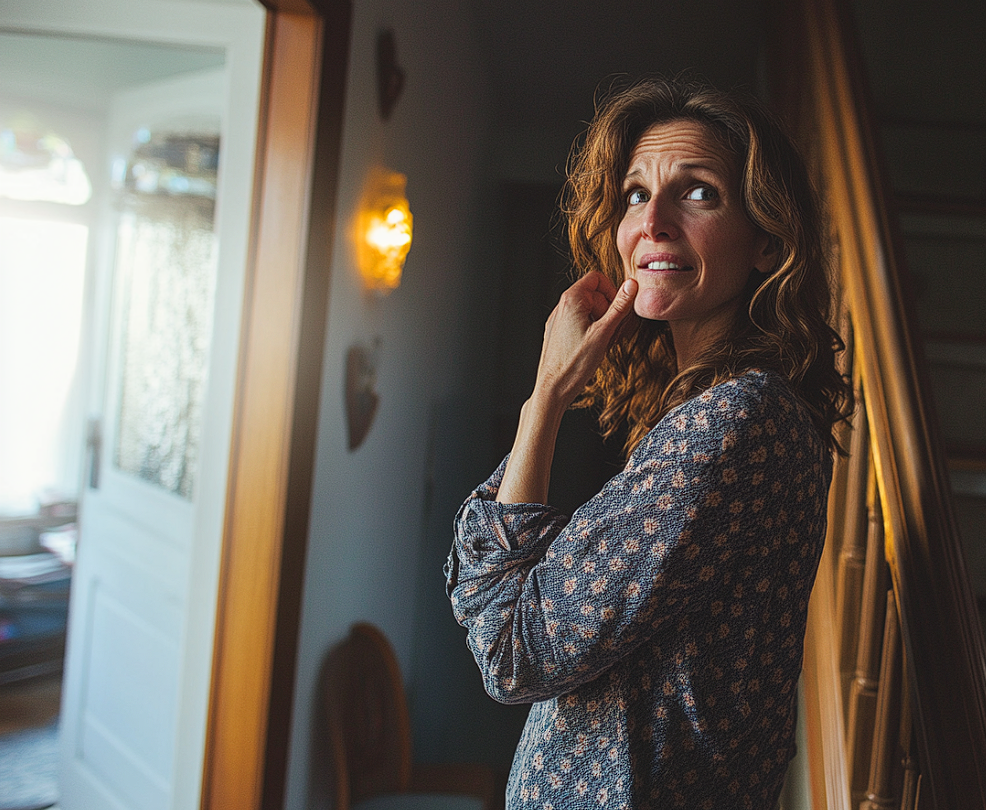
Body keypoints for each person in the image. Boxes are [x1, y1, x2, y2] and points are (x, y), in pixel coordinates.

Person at [445, 76, 853, 810]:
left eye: (698, 192)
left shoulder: (731, 423)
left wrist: (548, 396)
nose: (653, 222)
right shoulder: (726, 412)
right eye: (636, 193)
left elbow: (515, 649)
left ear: (766, 240)